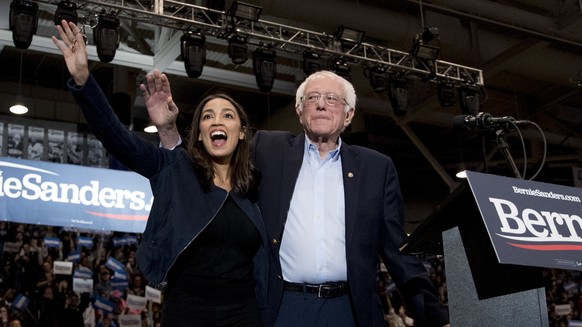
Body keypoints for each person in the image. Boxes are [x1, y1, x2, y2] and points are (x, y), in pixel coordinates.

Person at [149, 68, 451, 326]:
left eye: (332, 99)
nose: (321, 105)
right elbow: (206, 164)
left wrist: (437, 317)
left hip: (351, 309)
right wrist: (167, 131)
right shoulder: (266, 149)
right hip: (283, 308)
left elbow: (398, 252)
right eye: (312, 98)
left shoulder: (376, 168)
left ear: (349, 115)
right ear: (299, 110)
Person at [51, 20, 268, 327]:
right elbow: (116, 138)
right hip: (187, 312)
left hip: (245, 313)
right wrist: (85, 81)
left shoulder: (257, 186)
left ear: (242, 132)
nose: (217, 121)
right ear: (200, 133)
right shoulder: (177, 171)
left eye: (227, 115)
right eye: (207, 117)